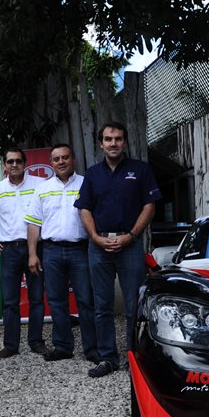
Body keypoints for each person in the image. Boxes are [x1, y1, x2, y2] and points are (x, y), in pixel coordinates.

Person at [76, 122, 161, 378]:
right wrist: (94, 237)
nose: (113, 143)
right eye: (108, 139)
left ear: (124, 142)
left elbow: (149, 206)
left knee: (134, 304)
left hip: (130, 245)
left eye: (118, 139)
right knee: (101, 305)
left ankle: (133, 357)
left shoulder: (140, 170)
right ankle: (108, 358)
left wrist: (132, 235)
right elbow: (84, 209)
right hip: (98, 246)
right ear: (100, 143)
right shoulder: (92, 174)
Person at [26, 143, 96, 363]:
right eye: (56, 159)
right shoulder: (42, 189)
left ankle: (92, 348)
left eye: (65, 157)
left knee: (86, 300)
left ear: (73, 159)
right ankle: (63, 346)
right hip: (51, 251)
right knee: (56, 302)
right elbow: (34, 224)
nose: (61, 162)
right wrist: (32, 254)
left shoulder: (86, 184)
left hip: (80, 250)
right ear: (51, 163)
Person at [0, 147, 45, 359]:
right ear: (4, 165)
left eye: (18, 161)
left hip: (35, 248)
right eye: (10, 161)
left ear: (25, 163)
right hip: (9, 251)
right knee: (10, 301)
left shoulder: (39, 185)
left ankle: (36, 342)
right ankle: (11, 345)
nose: (14, 165)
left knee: (37, 298)